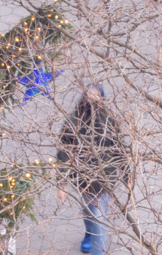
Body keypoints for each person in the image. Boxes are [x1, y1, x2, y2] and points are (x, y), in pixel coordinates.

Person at [56, 83, 130, 255]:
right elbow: (63, 153)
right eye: (89, 96)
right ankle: (89, 233)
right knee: (88, 212)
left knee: (98, 220)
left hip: (104, 180)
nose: (92, 100)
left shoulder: (110, 121)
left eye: (96, 97)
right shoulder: (73, 122)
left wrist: (127, 176)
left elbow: (120, 150)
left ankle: (98, 248)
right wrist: (62, 183)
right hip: (83, 179)